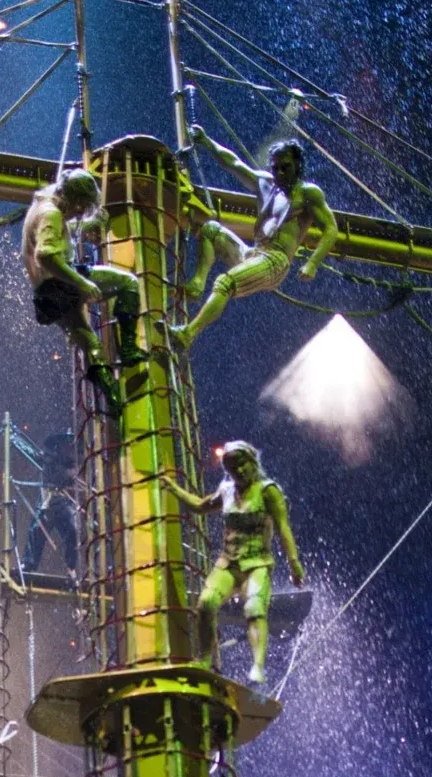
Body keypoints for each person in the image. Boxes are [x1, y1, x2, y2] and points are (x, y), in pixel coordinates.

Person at [169, 131, 339, 347]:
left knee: (225, 282)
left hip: (275, 261)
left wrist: (313, 263)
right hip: (253, 253)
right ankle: (197, 284)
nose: (279, 172)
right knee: (210, 229)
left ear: (297, 164)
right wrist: (205, 141)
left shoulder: (307, 193)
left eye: (285, 167)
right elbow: (233, 163)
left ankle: (188, 334)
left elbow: (331, 229)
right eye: (275, 167)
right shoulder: (267, 184)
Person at [161, 440, 304, 686]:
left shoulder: (268, 491)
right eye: (231, 468)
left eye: (242, 464)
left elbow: (283, 529)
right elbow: (199, 506)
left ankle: (258, 667)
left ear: (252, 462)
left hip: (257, 564)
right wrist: (172, 487)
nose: (238, 471)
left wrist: (294, 563)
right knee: (205, 604)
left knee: (254, 609)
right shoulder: (227, 491)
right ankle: (206, 660)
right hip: (228, 563)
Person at [21, 168, 146, 411]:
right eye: (81, 207)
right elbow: (45, 254)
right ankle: (129, 350)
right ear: (74, 200)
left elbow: (55, 232)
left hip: (47, 295)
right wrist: (83, 283)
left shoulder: (43, 204)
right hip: (63, 283)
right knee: (129, 283)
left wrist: (91, 221)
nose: (79, 213)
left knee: (91, 344)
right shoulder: (51, 214)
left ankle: (113, 399)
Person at [21, 431, 79, 578]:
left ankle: (71, 567)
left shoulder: (70, 466)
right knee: (36, 531)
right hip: (47, 505)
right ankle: (28, 564)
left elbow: (67, 477)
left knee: (72, 531)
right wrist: (14, 438)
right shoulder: (47, 459)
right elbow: (29, 452)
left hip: (62, 504)